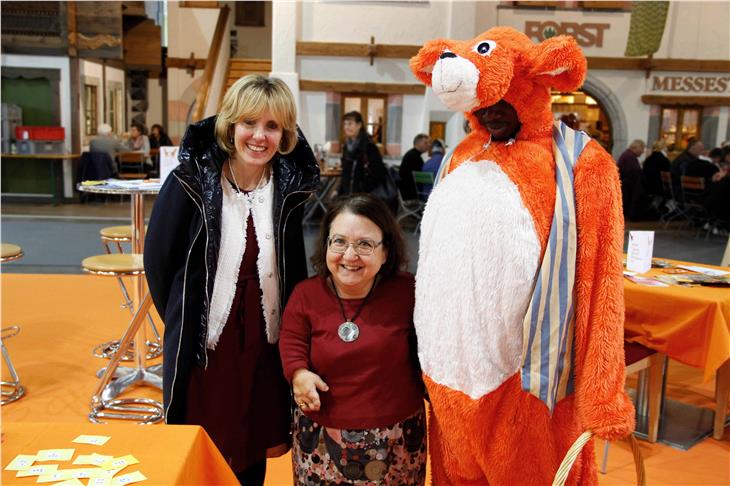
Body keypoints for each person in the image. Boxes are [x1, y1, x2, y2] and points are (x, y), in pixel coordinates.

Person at [410, 27, 633, 485]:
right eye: (482, 106)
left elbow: (602, 284)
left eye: (502, 99)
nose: (489, 113)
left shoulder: (580, 163)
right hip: (446, 379)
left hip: (528, 388)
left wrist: (601, 392)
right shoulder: (461, 155)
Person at [143, 75, 319, 486]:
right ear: (230, 125)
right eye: (249, 123)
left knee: (251, 442)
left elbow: (294, 266)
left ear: (285, 134)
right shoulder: (191, 180)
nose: (259, 136)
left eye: (272, 126)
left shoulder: (289, 188)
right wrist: (182, 319)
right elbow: (159, 261)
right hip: (207, 345)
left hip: (263, 340)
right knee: (205, 443)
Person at [279, 194, 426, 485]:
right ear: (325, 246)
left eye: (365, 244)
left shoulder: (409, 292)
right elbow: (292, 339)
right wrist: (299, 373)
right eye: (339, 242)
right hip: (321, 436)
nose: (349, 255)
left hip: (397, 435)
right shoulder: (306, 294)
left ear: (385, 252)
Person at [338, 111, 387, 197]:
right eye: (345, 124)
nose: (346, 127)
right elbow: (345, 172)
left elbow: (379, 173)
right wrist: (338, 190)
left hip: (364, 196)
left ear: (359, 125)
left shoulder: (369, 146)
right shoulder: (346, 146)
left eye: (350, 124)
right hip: (347, 194)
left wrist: (363, 188)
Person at [617, 139, 650, 220]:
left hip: (625, 184)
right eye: (642, 149)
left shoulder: (628, 154)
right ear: (637, 148)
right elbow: (635, 172)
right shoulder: (630, 156)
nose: (642, 152)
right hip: (627, 185)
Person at [398, 133, 431, 200]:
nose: (429, 145)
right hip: (411, 194)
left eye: (429, 143)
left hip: (405, 191)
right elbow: (421, 178)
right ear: (418, 143)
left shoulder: (412, 154)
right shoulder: (415, 157)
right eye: (426, 143)